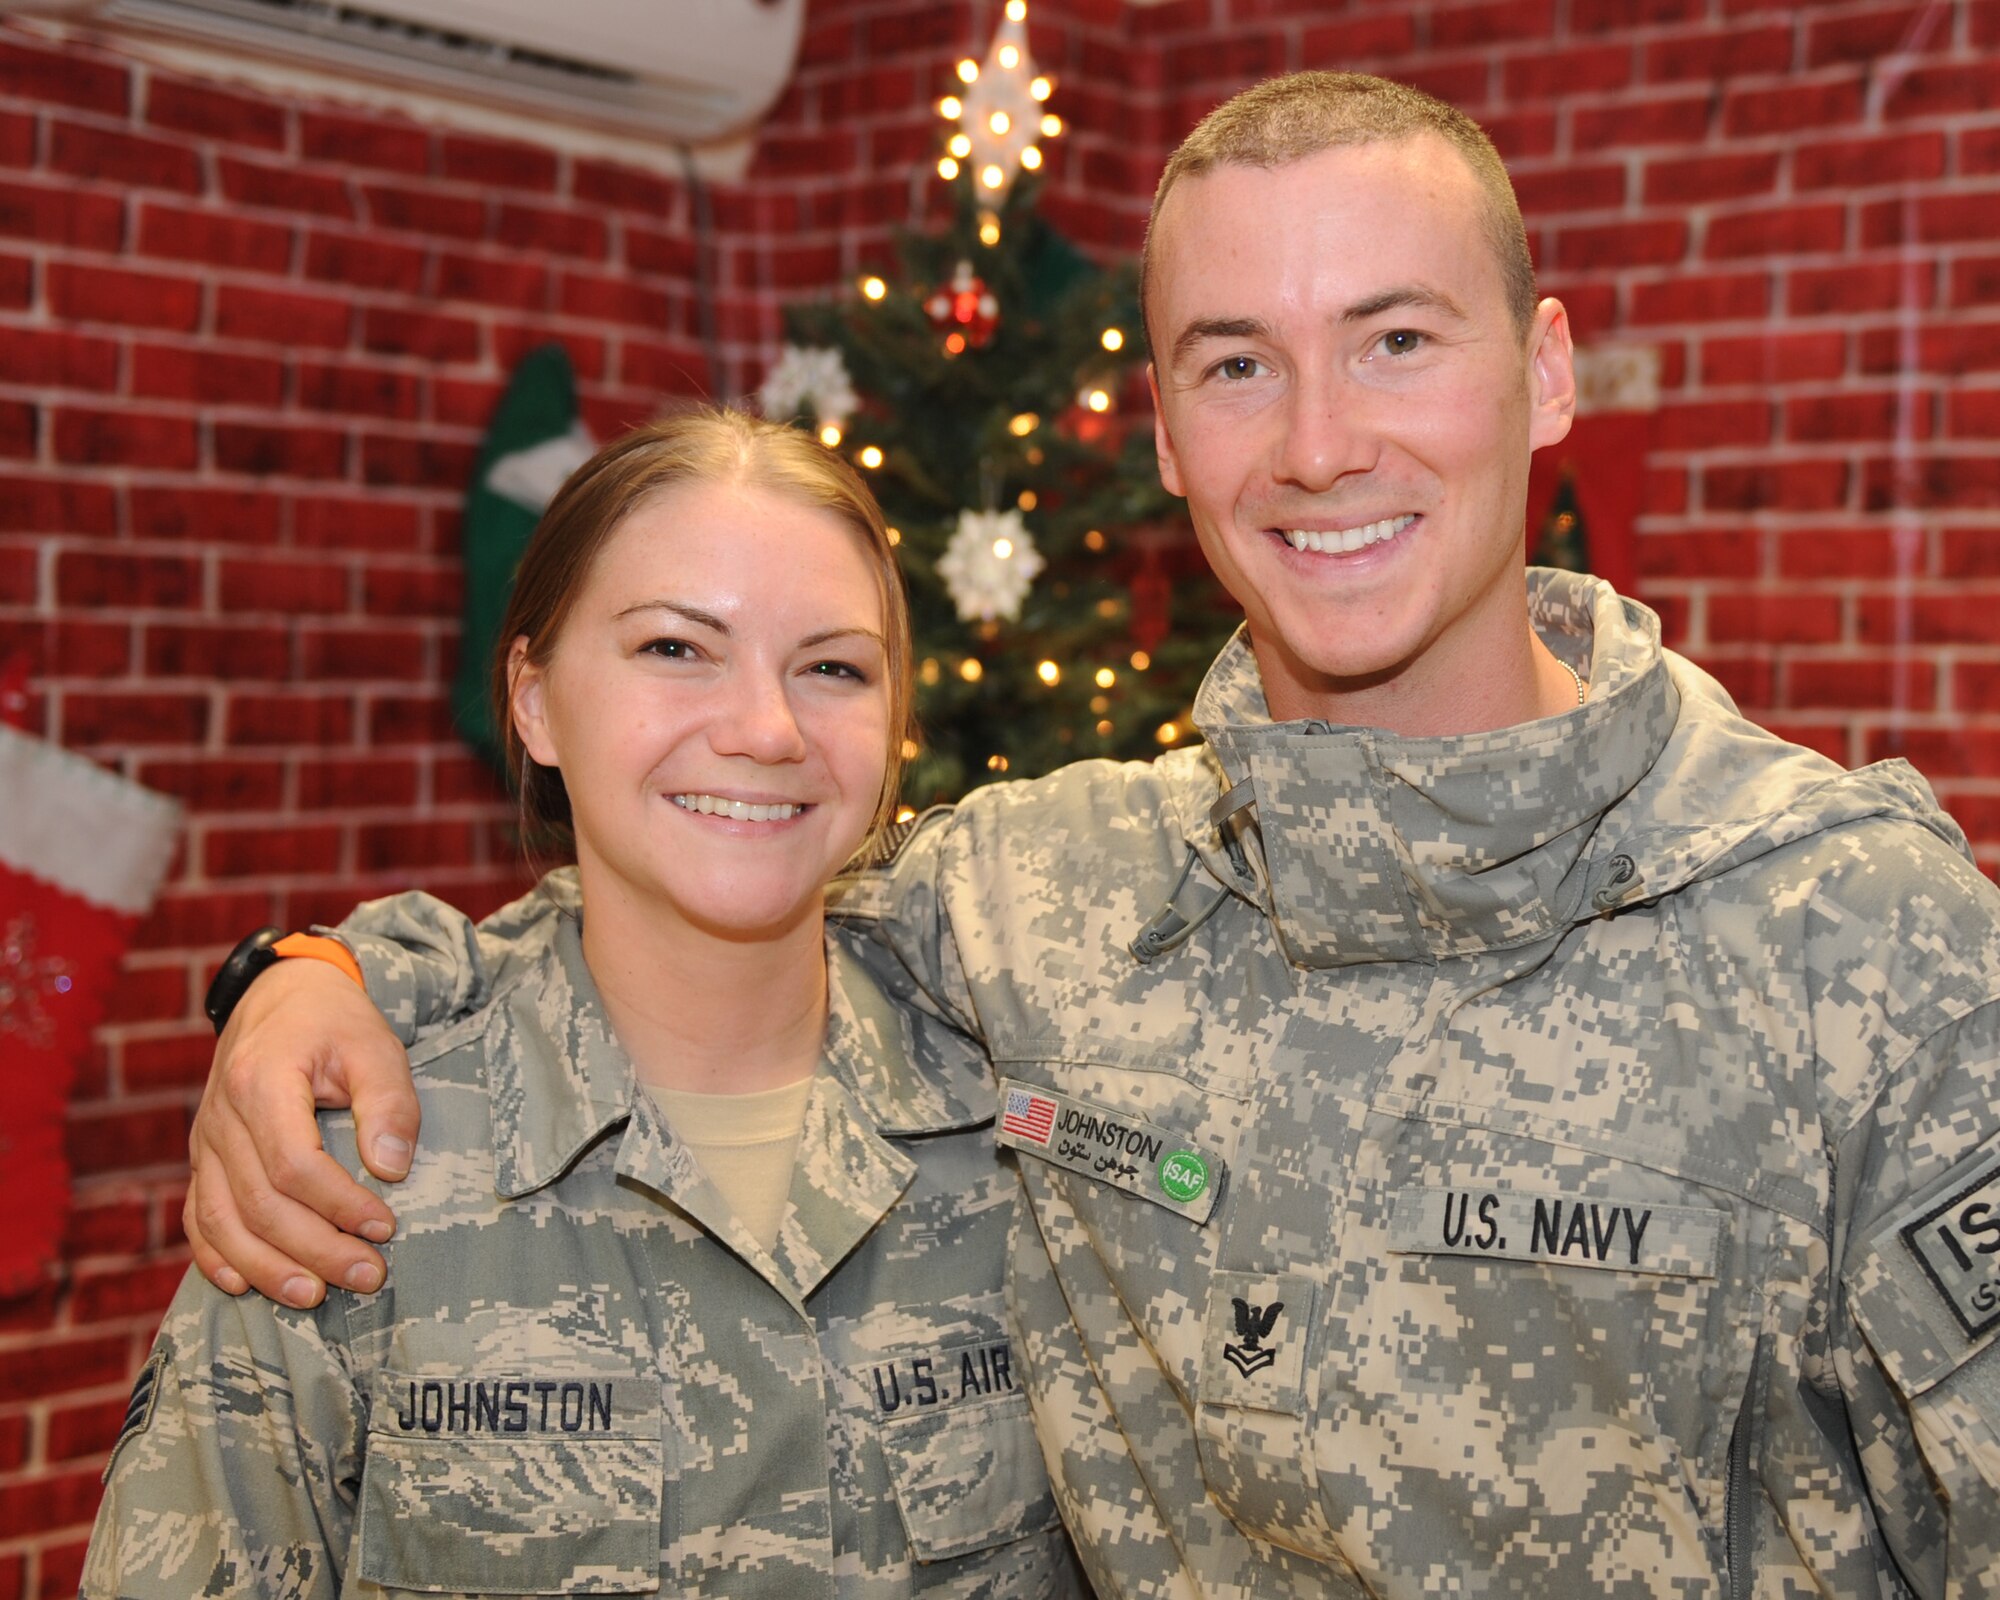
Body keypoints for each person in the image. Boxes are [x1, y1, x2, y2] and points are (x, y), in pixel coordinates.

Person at [182, 74, 2000, 1598]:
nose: (1317, 443)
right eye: (1236, 367)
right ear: (1165, 430)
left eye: (1395, 340)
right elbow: (701, 876)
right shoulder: (1049, 896)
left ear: (1542, 378)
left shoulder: (1861, 939)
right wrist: (314, 976)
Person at [85, 410, 1081, 1599]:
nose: (765, 729)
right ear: (536, 699)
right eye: (674, 648)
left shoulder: (1031, 1144)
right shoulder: (339, 1179)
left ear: (892, 730)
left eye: (832, 667)